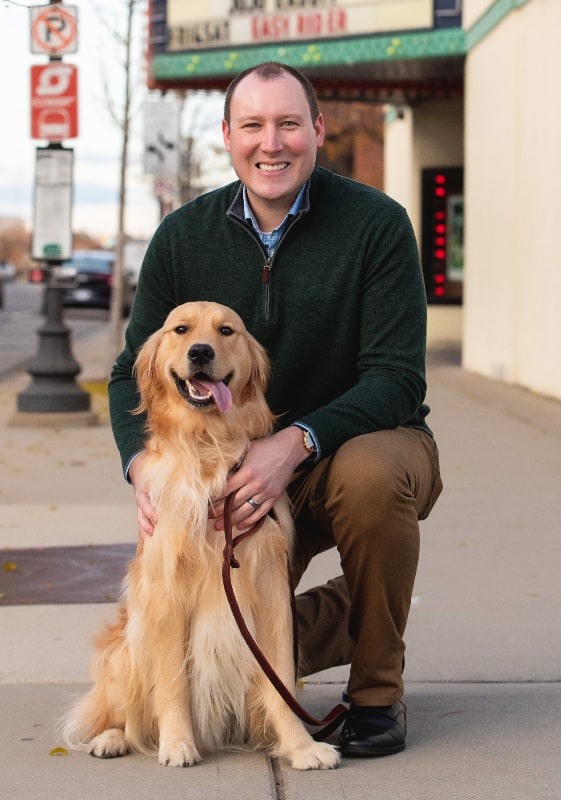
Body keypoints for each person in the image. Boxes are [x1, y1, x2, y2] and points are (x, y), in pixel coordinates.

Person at [108, 61, 443, 758]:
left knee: (374, 475)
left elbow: (397, 377)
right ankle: (248, 667)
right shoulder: (182, 236)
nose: (273, 143)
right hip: (224, 465)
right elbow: (129, 371)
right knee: (211, 607)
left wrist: (297, 441)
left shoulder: (376, 226)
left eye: (289, 123)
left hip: (347, 451)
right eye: (254, 126)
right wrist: (140, 465)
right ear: (228, 136)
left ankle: (375, 693)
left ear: (317, 130)